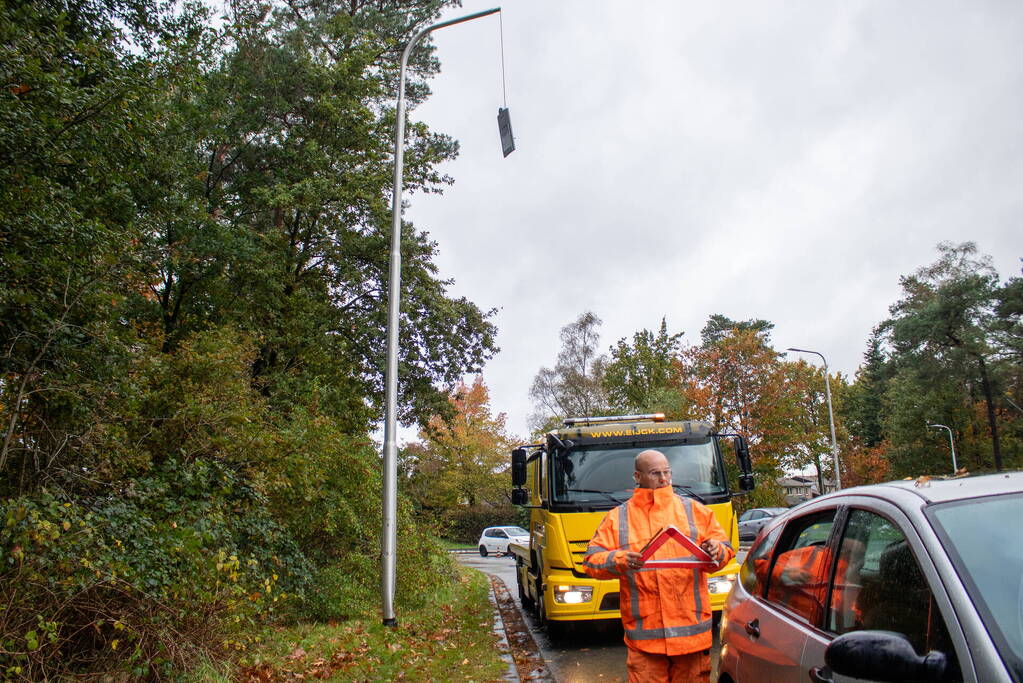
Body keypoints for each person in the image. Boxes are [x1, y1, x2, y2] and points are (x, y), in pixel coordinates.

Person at [581, 449, 734, 683]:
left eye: (667, 472)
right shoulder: (617, 517)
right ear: (637, 476)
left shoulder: (695, 511)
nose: (664, 478)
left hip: (692, 637)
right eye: (655, 473)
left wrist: (717, 550)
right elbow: (591, 562)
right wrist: (620, 560)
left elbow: (725, 550)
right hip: (646, 642)